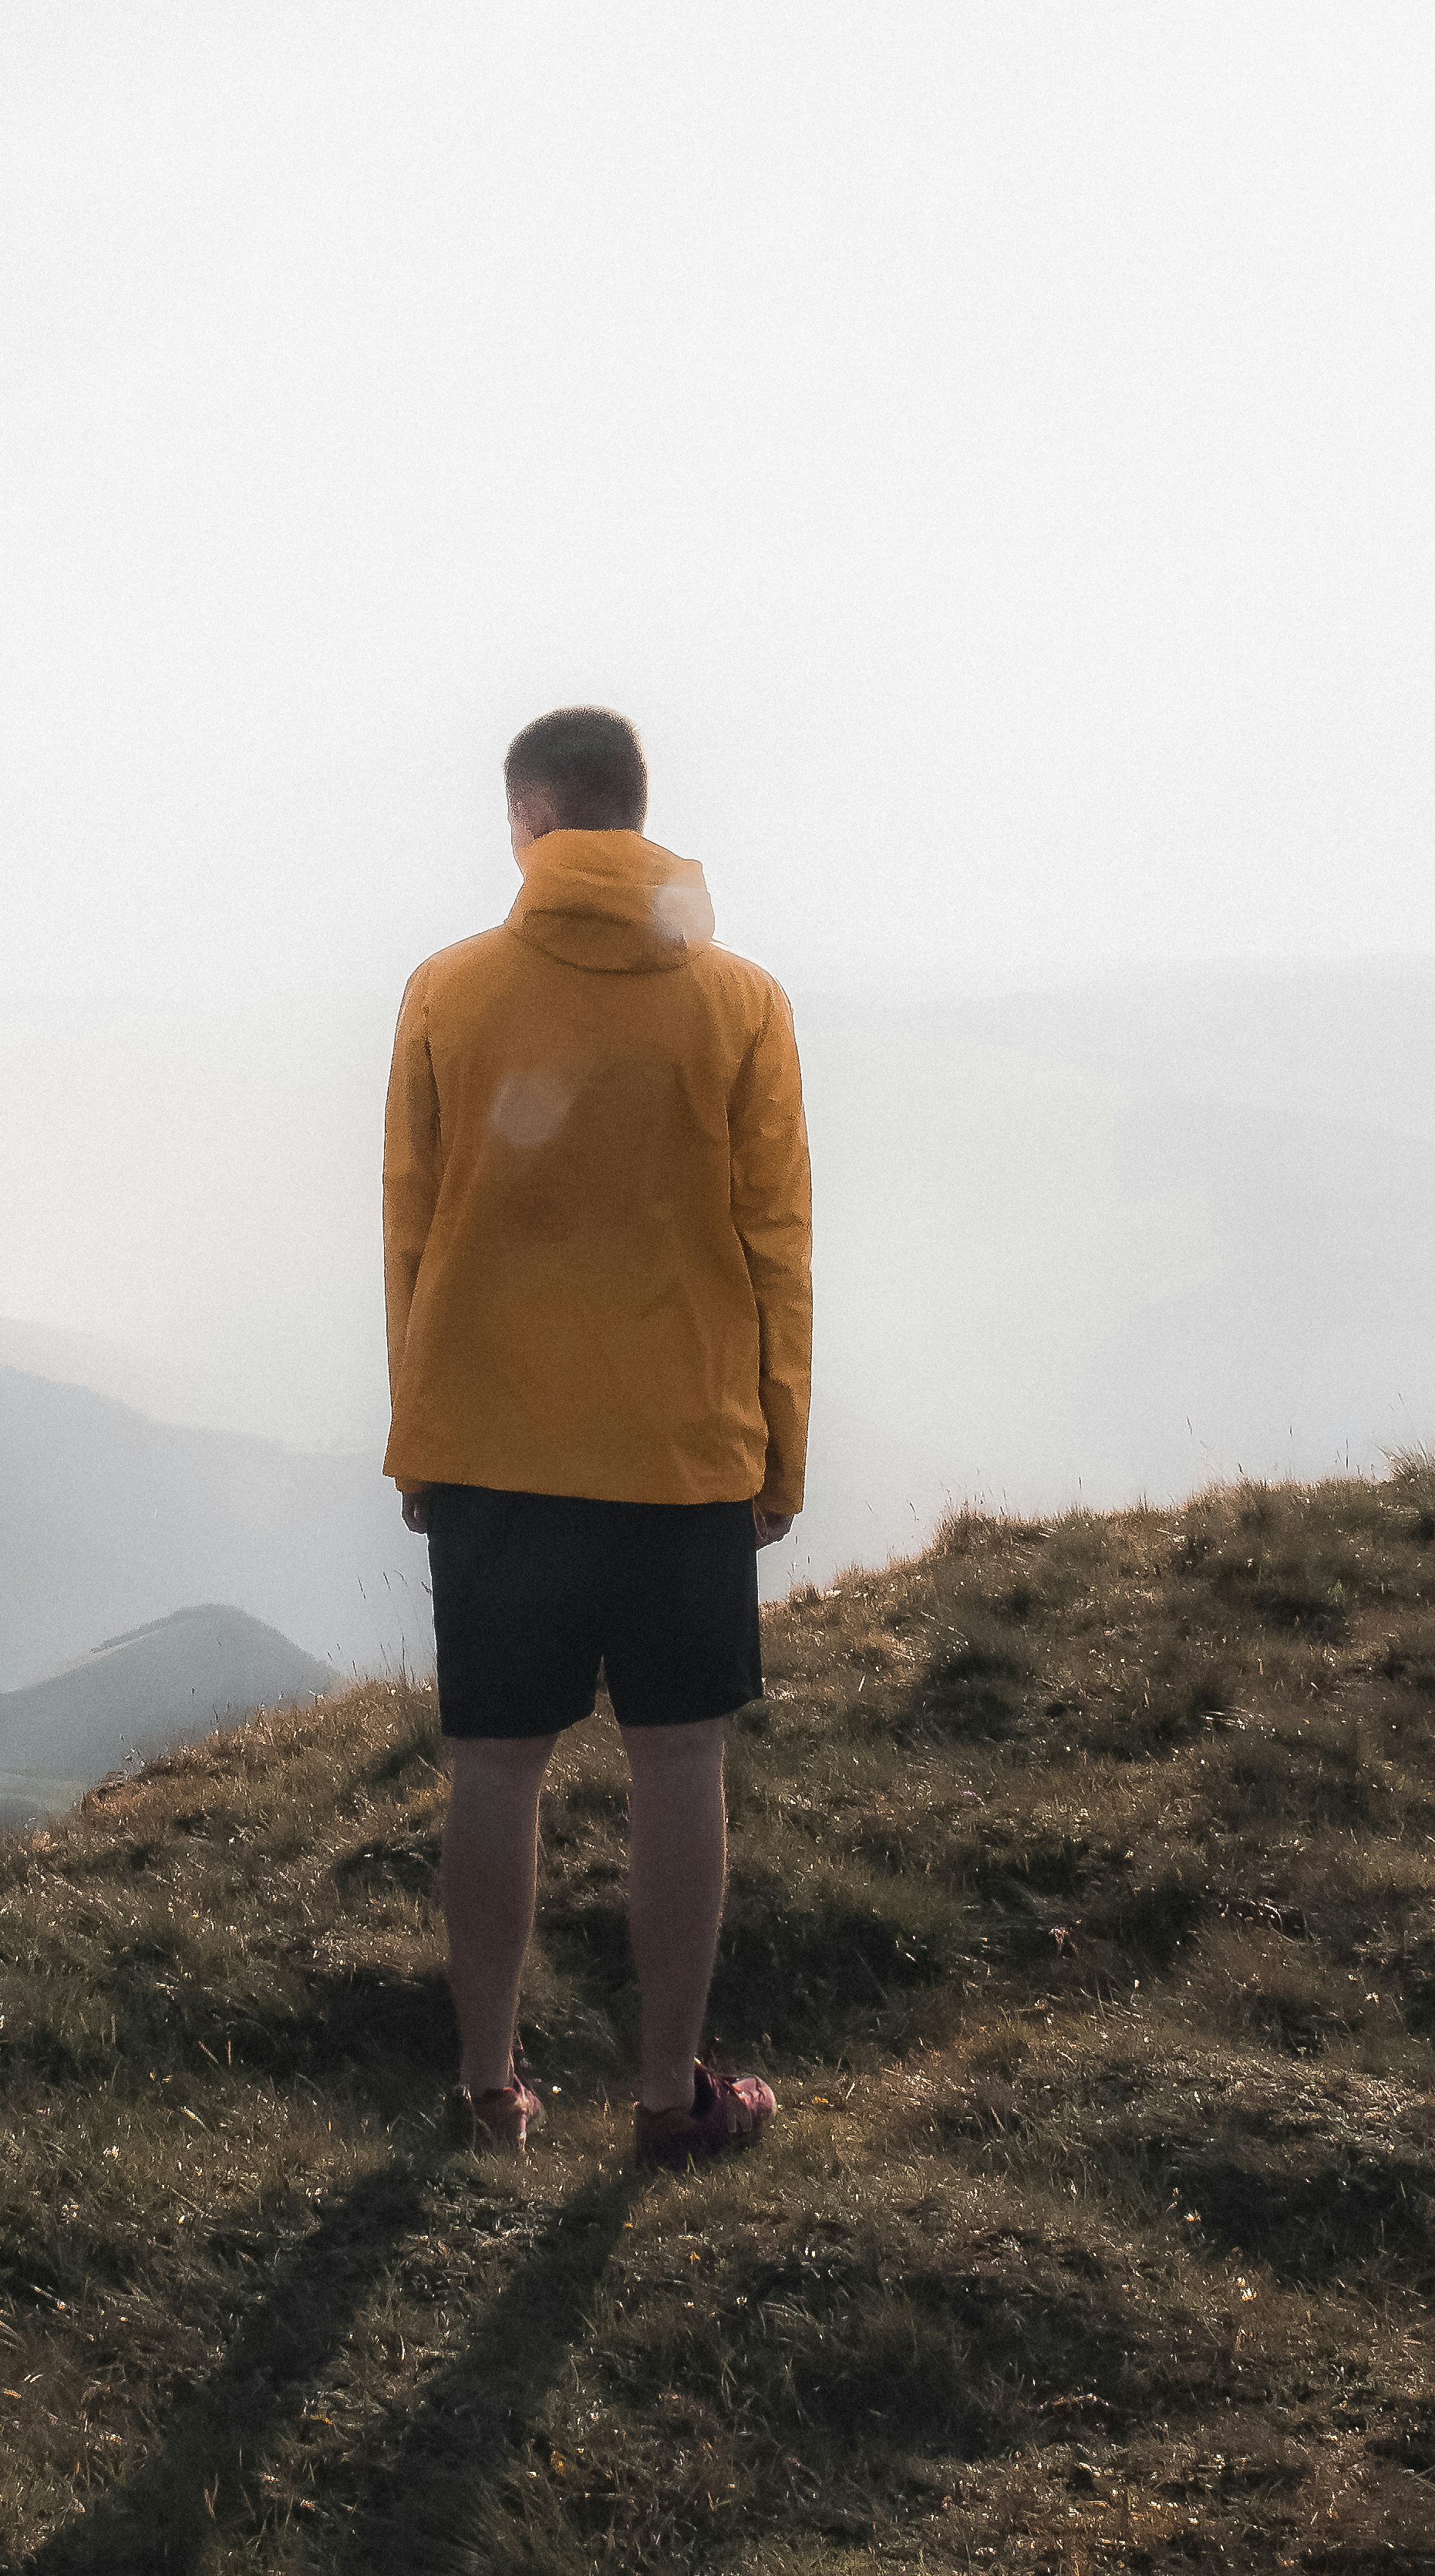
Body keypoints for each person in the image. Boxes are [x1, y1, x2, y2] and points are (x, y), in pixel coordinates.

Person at [380, 704, 811, 2168]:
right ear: (637, 817)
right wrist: (779, 1451)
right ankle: (668, 2093)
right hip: (683, 1442)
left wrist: (423, 1434)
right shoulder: (741, 1000)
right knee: (678, 1764)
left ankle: (489, 2089)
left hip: (496, 1438)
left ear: (529, 824)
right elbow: (776, 1244)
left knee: (497, 1768)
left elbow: (412, 1228)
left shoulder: (447, 992)